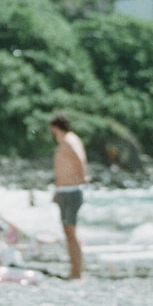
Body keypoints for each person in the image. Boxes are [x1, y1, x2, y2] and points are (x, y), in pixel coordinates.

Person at [50, 114, 89, 280]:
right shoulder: (67, 140)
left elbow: (80, 158)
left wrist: (82, 177)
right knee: (68, 232)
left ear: (56, 127)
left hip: (71, 190)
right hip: (65, 190)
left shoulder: (69, 140)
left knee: (71, 233)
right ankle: (75, 269)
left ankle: (77, 271)